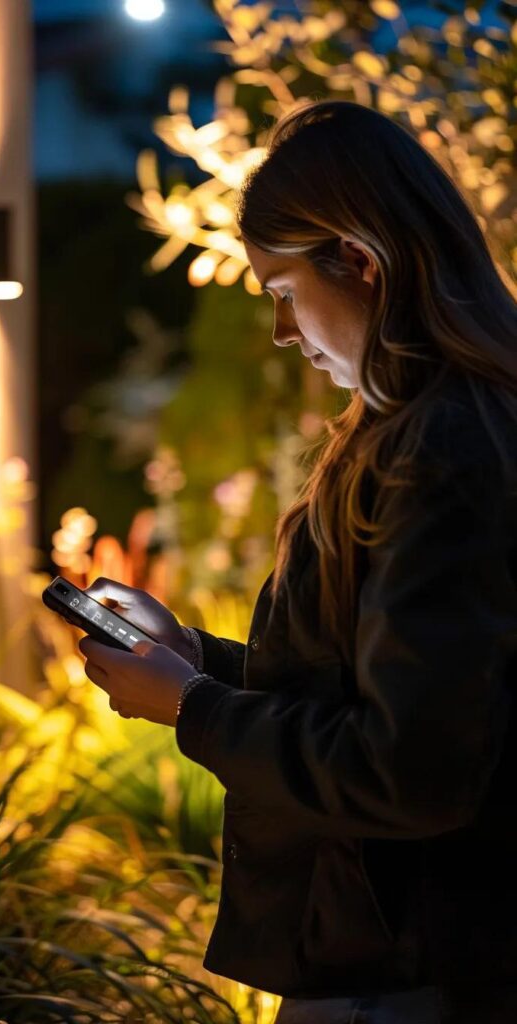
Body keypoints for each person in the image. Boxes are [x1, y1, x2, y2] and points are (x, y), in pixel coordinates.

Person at [77, 100, 517, 1023]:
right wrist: (195, 659)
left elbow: (413, 769)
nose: (282, 333)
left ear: (360, 261)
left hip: (413, 969)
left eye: (280, 291)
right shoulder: (428, 429)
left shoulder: (445, 448)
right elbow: (384, 695)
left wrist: (193, 708)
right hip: (399, 951)